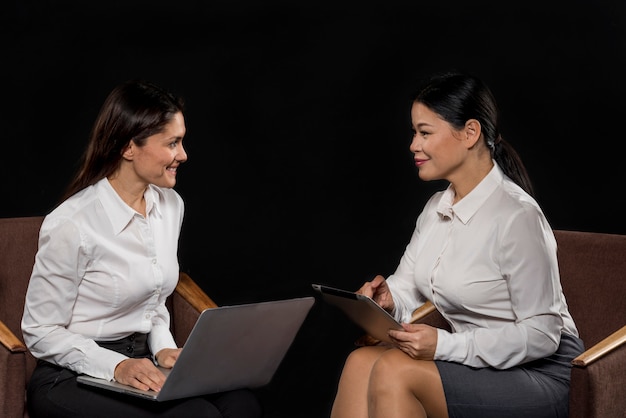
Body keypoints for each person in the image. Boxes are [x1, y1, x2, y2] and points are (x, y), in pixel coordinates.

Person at [330, 72, 584, 418]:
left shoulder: (517, 217)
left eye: (424, 132)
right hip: (480, 363)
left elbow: (541, 335)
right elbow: (407, 284)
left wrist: (445, 345)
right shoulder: (437, 207)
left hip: (541, 372)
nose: (413, 145)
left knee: (394, 370)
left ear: (470, 133)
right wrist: (389, 303)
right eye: (413, 132)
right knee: (362, 361)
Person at [21, 80, 263, 418]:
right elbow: (40, 331)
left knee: (241, 402)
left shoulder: (170, 205)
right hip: (70, 374)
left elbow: (154, 299)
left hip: (143, 360)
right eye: (173, 143)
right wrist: (117, 365)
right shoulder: (72, 224)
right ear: (129, 147)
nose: (183, 155)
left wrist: (163, 347)